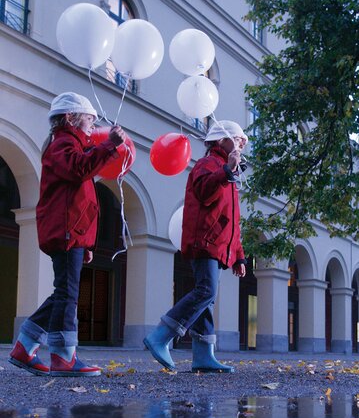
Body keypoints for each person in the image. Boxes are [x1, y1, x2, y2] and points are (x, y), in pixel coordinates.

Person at [8, 92, 127, 377]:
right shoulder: (62, 144)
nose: (93, 124)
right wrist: (110, 144)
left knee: (64, 291)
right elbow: (78, 171)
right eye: (89, 119)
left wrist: (86, 241)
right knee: (67, 293)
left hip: (70, 231)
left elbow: (81, 194)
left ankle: (25, 345)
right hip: (65, 230)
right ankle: (63, 355)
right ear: (71, 118)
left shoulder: (69, 144)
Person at [144, 120, 248, 373]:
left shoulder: (225, 171)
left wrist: (239, 255)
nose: (243, 143)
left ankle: (203, 355)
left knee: (207, 299)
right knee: (206, 292)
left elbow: (232, 220)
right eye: (237, 138)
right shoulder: (208, 165)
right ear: (220, 140)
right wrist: (227, 171)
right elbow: (203, 192)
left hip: (217, 244)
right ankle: (161, 336)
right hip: (206, 241)